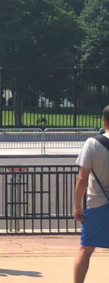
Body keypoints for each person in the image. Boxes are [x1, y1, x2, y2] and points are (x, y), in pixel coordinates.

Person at [73, 105, 109, 283]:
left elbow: (82, 179)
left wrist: (77, 206)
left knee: (85, 249)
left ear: (104, 120)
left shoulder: (92, 143)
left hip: (98, 203)